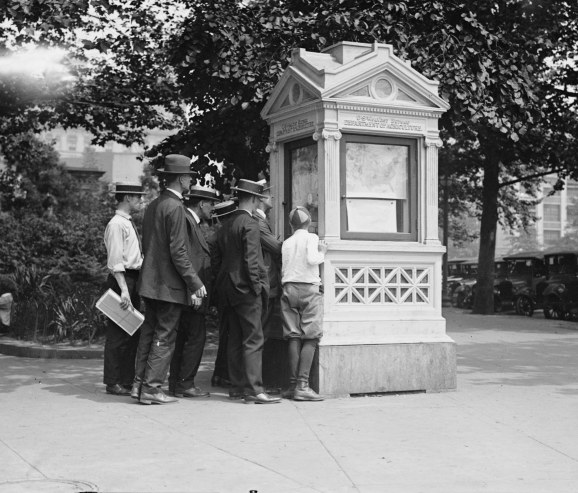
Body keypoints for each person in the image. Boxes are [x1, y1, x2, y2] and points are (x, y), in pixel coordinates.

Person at [134, 154, 206, 405]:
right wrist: (195, 283)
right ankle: (152, 390)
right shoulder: (176, 208)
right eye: (188, 177)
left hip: (149, 281)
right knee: (164, 337)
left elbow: (149, 245)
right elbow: (178, 251)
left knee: (149, 334)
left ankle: (139, 386)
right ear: (180, 178)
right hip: (168, 286)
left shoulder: (154, 204)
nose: (190, 182)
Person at [213, 179, 281, 404]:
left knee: (235, 338)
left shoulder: (227, 223)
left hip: (228, 289)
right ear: (253, 198)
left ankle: (238, 388)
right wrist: (258, 287)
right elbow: (252, 260)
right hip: (246, 289)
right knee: (254, 338)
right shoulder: (249, 223)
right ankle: (255, 389)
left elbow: (219, 259)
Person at [168, 185, 220, 398]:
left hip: (191, 292)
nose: (213, 209)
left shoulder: (192, 222)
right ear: (201, 204)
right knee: (194, 339)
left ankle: (177, 383)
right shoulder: (189, 223)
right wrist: (194, 290)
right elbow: (186, 259)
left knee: (185, 339)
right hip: (193, 293)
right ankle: (185, 384)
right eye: (211, 205)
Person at [102, 182, 146, 396]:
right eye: (138, 197)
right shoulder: (116, 224)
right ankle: (113, 381)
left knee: (131, 331)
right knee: (118, 333)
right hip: (123, 280)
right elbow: (115, 260)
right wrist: (124, 290)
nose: (140, 201)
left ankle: (126, 379)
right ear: (128, 197)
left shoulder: (126, 222)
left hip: (132, 279)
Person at [280, 206, 327, 401]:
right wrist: (322, 251)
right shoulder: (312, 238)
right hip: (309, 289)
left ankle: (292, 385)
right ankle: (303, 385)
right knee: (311, 336)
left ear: (291, 225)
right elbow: (312, 258)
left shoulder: (287, 242)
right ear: (309, 223)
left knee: (293, 336)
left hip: (289, 289)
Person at [208, 200, 237, 388]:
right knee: (231, 334)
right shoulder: (227, 235)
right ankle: (224, 374)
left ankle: (220, 373)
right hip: (229, 289)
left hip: (220, 290)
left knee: (225, 332)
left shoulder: (215, 236)